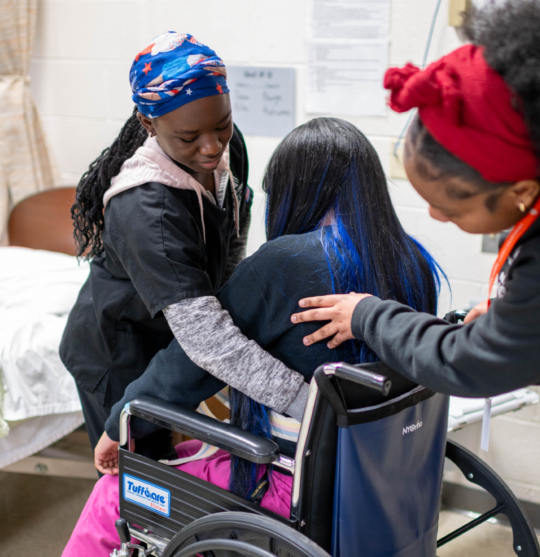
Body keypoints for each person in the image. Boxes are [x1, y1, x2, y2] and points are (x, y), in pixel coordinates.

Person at [291, 2, 540, 555]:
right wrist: (525, 329)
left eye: (451, 210)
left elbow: (467, 364)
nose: (435, 219)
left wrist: (366, 313)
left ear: (522, 192)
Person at [61, 117, 444, 556]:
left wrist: (119, 424)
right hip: (379, 477)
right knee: (188, 447)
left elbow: (195, 360)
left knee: (114, 493)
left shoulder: (285, 263)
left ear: (293, 189)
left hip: (290, 485)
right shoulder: (414, 262)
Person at [60, 32, 308, 461]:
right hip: (120, 350)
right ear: (149, 124)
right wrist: (304, 400)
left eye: (222, 125)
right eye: (190, 137)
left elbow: (230, 239)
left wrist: (237, 315)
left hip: (175, 336)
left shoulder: (226, 148)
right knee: (144, 482)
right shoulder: (147, 209)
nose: (212, 147)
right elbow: (206, 340)